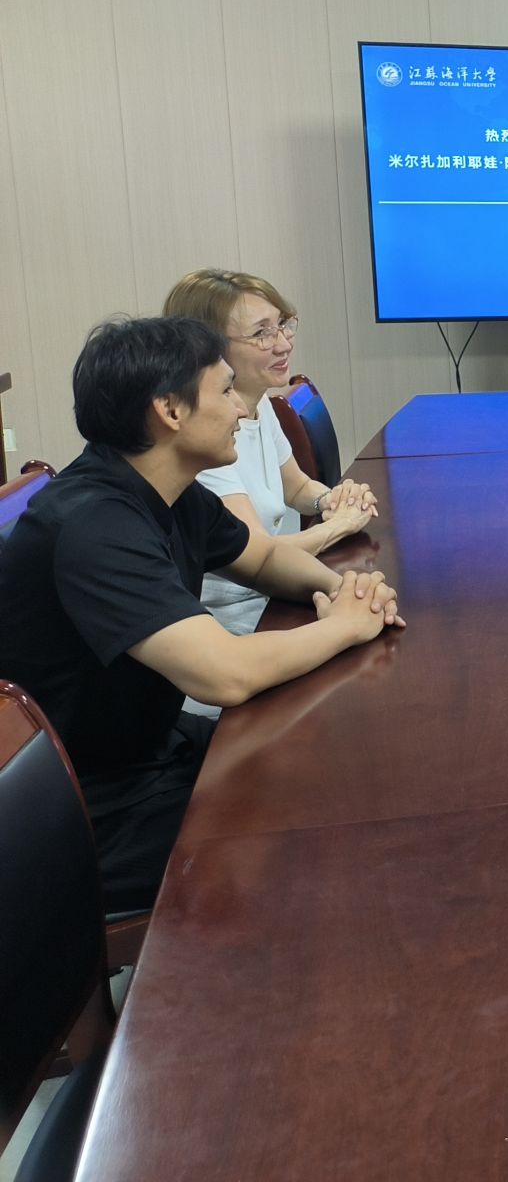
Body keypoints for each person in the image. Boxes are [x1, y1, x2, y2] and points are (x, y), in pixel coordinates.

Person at [0, 317, 404, 910]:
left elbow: (262, 557)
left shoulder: (171, 492)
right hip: (83, 811)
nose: (242, 409)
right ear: (170, 410)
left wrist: (347, 589)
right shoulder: (94, 525)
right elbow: (222, 675)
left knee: (338, 765)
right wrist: (345, 625)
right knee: (328, 833)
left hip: (149, 747)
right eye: (225, 390)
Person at [163, 268, 380, 635]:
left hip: (278, 596)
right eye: (261, 333)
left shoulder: (259, 402)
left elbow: (297, 487)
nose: (283, 344)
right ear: (208, 349)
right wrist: (340, 524)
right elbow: (259, 556)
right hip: (241, 620)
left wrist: (333, 500)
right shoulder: (204, 440)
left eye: (282, 325)